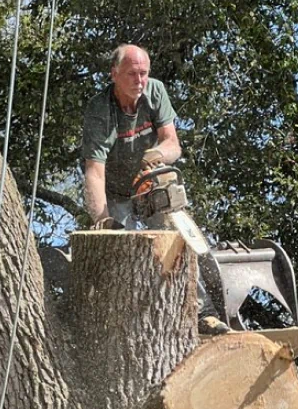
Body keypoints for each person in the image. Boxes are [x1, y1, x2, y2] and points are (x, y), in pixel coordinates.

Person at [82, 44, 231, 334]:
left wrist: (156, 157)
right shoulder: (100, 110)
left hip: (148, 185)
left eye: (144, 73)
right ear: (114, 74)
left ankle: (204, 314)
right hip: (114, 193)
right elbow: (94, 171)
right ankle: (126, 325)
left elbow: (172, 144)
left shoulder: (155, 92)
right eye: (132, 74)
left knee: (181, 236)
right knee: (119, 250)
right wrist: (102, 219)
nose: (139, 81)